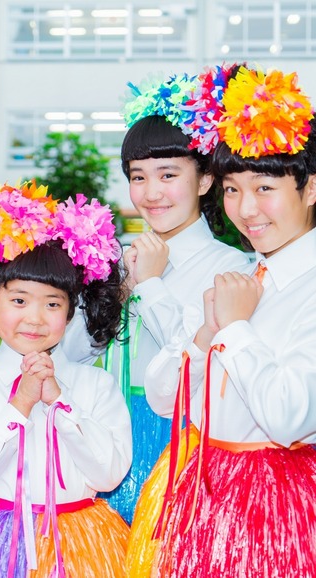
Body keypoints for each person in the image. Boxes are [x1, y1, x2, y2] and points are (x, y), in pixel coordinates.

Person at [141, 65, 316, 577]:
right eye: (233, 189)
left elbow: (289, 417)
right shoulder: (243, 275)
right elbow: (164, 398)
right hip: (206, 490)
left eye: (264, 188)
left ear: (309, 190)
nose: (246, 209)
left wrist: (235, 329)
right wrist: (202, 337)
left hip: (280, 506)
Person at [61, 70, 249, 527]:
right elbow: (70, 353)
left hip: (183, 447)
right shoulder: (115, 261)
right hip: (101, 438)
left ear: (204, 180)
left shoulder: (233, 270)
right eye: (138, 177)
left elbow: (196, 371)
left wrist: (149, 286)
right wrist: (120, 288)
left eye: (168, 175)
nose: (151, 193)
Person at [0, 181, 133, 577]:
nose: (34, 318)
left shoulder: (96, 385)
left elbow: (109, 473)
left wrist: (61, 402)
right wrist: (21, 404)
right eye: (19, 300)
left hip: (82, 545)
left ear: (70, 313)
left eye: (52, 304)